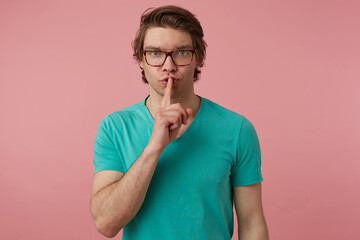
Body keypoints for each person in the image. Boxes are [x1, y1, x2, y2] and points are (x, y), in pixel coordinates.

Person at [90, 5, 269, 240]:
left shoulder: (237, 130)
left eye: (181, 52)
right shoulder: (114, 128)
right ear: (141, 61)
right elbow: (106, 224)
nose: (168, 66)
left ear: (198, 58)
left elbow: (252, 224)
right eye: (154, 53)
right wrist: (154, 147)